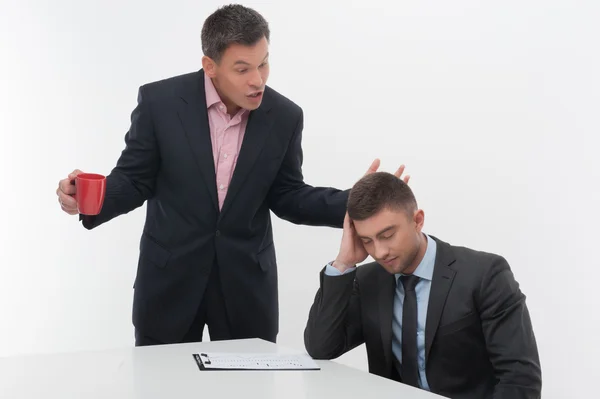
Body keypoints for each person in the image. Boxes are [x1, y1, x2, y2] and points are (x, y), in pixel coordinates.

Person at [55, 4, 407, 346]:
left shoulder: (284, 116)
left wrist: (358, 201)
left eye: (264, 64)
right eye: (242, 69)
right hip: (168, 283)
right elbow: (134, 179)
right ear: (210, 65)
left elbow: (287, 194)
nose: (258, 81)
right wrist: (88, 199)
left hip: (246, 287)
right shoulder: (159, 103)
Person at [304, 172, 542, 399]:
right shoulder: (368, 281)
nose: (379, 251)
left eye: (387, 235)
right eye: (367, 240)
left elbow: (520, 379)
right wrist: (344, 262)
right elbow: (321, 348)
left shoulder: (485, 275)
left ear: (418, 220)